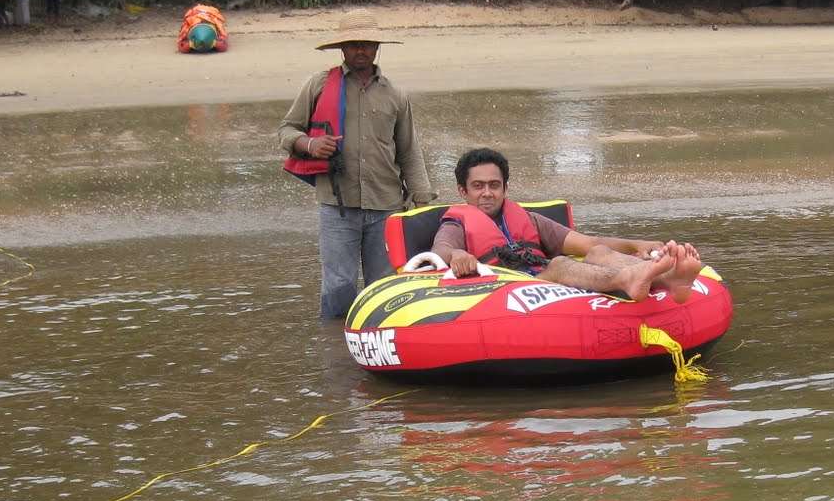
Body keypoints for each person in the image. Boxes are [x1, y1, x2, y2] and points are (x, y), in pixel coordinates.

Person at [278, 24, 437, 319]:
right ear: (342, 48)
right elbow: (286, 130)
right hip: (337, 206)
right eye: (353, 44)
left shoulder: (395, 95)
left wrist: (423, 204)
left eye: (367, 44)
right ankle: (338, 352)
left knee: (386, 289)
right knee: (339, 287)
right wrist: (309, 144)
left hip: (387, 206)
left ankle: (377, 351)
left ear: (377, 47)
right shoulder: (319, 85)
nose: (360, 50)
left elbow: (409, 152)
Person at [433, 148, 704, 303]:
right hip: (509, 287)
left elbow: (587, 243)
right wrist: (457, 254)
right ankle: (629, 279)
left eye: (494, 185)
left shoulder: (529, 219)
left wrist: (637, 244)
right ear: (463, 191)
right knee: (559, 264)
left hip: (543, 278)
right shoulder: (457, 221)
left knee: (597, 253)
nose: (487, 193)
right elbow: (441, 247)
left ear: (505, 188)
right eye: (478, 186)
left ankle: (669, 279)